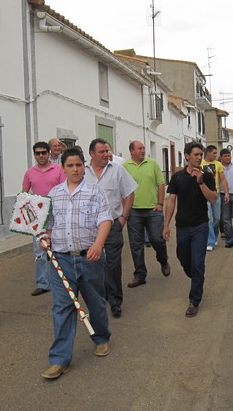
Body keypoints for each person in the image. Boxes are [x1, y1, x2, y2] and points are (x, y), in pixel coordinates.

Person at [40, 148, 113, 380]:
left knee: (95, 302)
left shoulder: (95, 191)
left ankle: (101, 338)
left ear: (84, 166)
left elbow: (104, 219)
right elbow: (47, 224)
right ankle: (59, 359)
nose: (75, 169)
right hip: (61, 259)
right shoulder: (54, 194)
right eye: (70, 166)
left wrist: (98, 245)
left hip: (89, 259)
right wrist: (44, 239)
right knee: (62, 308)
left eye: (79, 165)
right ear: (63, 168)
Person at [162, 142, 217, 317]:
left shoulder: (207, 175)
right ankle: (195, 275)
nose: (199, 157)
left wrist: (200, 182)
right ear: (187, 156)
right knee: (183, 258)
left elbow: (213, 199)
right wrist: (166, 225)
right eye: (195, 154)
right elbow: (171, 201)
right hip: (183, 226)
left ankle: (194, 300)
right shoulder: (177, 177)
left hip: (200, 225)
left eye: (201, 154)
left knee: (198, 263)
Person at [85, 138, 137, 318]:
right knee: (92, 264)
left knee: (113, 265)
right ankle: (98, 300)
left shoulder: (118, 170)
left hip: (113, 224)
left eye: (108, 151)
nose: (107, 155)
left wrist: (123, 217)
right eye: (102, 152)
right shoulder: (82, 172)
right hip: (89, 228)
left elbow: (130, 193)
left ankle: (115, 302)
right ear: (92, 153)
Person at [123, 140, 171, 287]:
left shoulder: (152, 164)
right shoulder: (125, 167)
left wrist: (160, 203)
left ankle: (163, 260)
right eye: (140, 148)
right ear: (131, 151)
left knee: (157, 239)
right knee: (136, 245)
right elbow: (121, 188)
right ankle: (140, 275)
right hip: (134, 211)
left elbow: (161, 184)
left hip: (153, 210)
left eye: (144, 148)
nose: (143, 150)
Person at [22, 141, 66, 296]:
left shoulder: (59, 170)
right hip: (38, 217)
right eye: (37, 153)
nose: (40, 156)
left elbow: (64, 190)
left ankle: (60, 280)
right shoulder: (30, 173)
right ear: (35, 155)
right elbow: (25, 194)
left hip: (56, 214)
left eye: (43, 153)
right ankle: (42, 283)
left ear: (48, 154)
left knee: (58, 247)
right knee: (39, 251)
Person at [201, 145, 229, 251]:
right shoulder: (201, 164)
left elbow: (223, 179)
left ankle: (215, 235)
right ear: (207, 153)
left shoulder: (218, 164)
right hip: (204, 195)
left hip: (216, 194)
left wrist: (226, 192)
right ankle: (210, 241)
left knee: (217, 218)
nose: (216, 155)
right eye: (214, 153)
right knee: (208, 219)